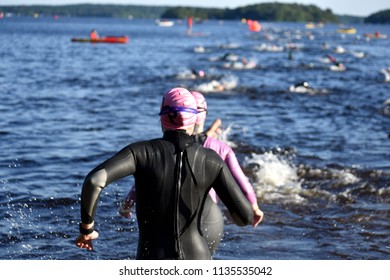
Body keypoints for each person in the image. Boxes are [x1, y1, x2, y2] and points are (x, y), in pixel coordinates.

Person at [76, 87, 260, 260]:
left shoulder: (140, 152)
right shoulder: (211, 159)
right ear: (194, 118)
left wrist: (87, 229)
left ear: (162, 118)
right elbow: (244, 217)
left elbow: (94, 181)